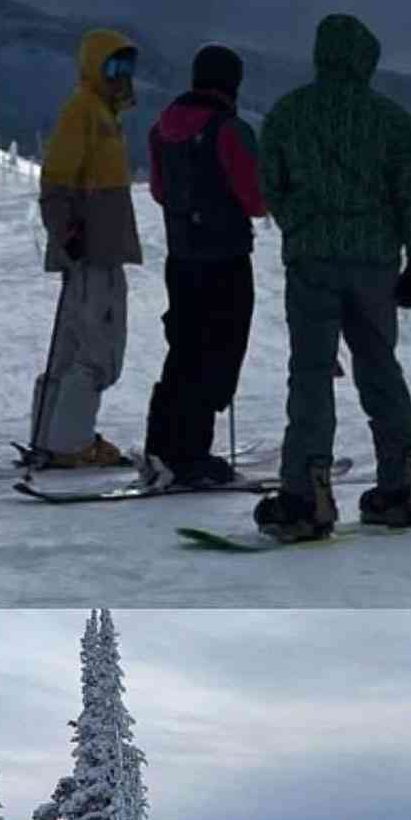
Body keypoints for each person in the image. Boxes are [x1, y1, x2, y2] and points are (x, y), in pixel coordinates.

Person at [253, 14, 411, 541]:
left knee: (311, 371)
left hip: (312, 260)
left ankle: (307, 493)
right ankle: (404, 481)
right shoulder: (392, 120)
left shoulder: (290, 113)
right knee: (380, 365)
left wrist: (302, 225)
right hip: (376, 261)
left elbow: (271, 184)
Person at [141, 45, 265, 488]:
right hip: (225, 257)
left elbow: (159, 191)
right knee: (219, 351)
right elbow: (255, 199)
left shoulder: (163, 129)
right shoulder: (229, 129)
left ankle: (162, 444)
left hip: (181, 256)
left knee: (184, 348)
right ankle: (191, 454)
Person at [28, 29, 143, 468]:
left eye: (127, 68)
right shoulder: (85, 112)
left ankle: (50, 437)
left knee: (71, 349)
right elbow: (55, 181)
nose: (121, 77)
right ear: (95, 69)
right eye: (113, 67)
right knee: (99, 353)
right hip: (94, 253)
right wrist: (67, 233)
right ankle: (71, 444)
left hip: (91, 252)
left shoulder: (99, 113)